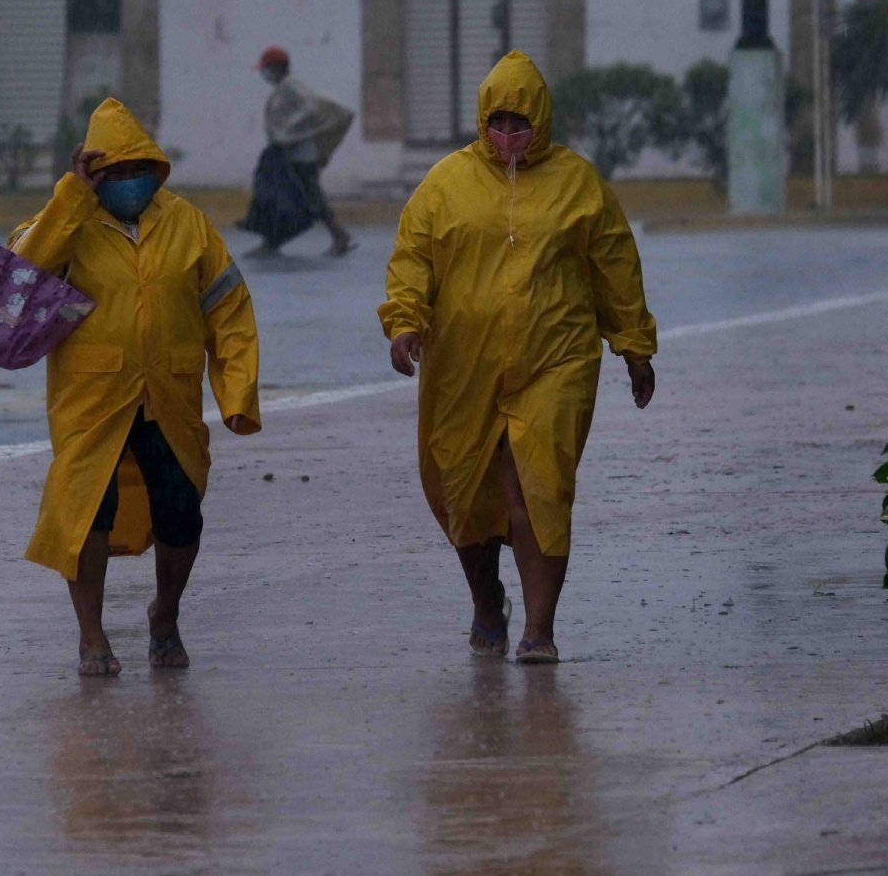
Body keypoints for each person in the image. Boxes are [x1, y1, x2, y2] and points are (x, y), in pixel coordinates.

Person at [378, 51, 658, 665]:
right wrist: (404, 324)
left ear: (542, 119)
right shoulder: (444, 185)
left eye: (520, 121)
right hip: (462, 366)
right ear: (482, 120)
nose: (509, 134)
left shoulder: (579, 185)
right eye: (498, 121)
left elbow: (616, 268)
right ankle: (486, 600)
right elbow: (412, 261)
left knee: (538, 488)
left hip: (554, 361)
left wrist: (634, 347)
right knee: (463, 489)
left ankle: (539, 630)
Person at [9, 98, 261, 677]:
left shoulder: (187, 222)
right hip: (91, 399)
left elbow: (228, 307)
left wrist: (238, 393)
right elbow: (24, 271)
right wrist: (72, 196)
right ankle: (92, 636)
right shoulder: (67, 218)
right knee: (87, 514)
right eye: (112, 173)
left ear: (154, 165)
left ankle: (165, 616)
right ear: (92, 173)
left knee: (181, 513)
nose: (126, 183)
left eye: (135, 170)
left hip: (167, 396)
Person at [240, 46, 356, 257]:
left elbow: (311, 107)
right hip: (291, 153)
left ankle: (337, 236)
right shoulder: (284, 87)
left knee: (305, 195)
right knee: (285, 195)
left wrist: (290, 131)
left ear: (275, 68)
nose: (263, 74)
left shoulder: (291, 86)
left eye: (265, 69)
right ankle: (273, 241)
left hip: (299, 155)